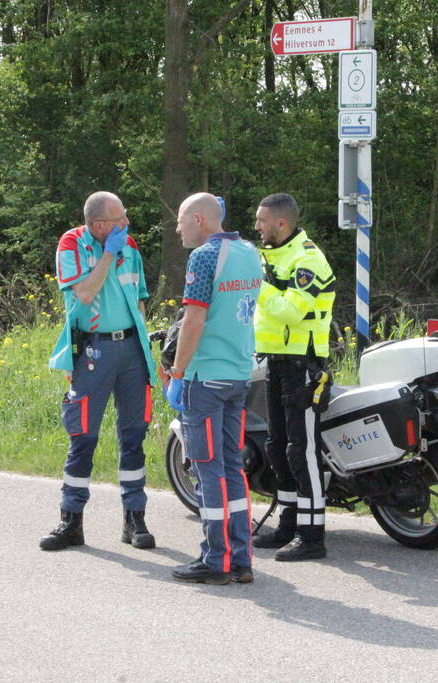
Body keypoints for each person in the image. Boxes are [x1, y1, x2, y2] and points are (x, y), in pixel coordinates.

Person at [41, 191, 157, 551]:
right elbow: (86, 293)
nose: (126, 225)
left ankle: (134, 520)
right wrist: (109, 254)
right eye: (118, 219)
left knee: (134, 435)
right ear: (98, 224)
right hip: (93, 348)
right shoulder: (72, 243)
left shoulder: (130, 245)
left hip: (132, 349)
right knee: (84, 436)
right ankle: (70, 520)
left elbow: (139, 297)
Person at [166, 193, 262, 585]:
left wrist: (177, 373)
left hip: (206, 378)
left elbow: (194, 320)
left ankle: (215, 559)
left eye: (181, 219)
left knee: (207, 470)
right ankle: (241, 559)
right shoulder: (250, 251)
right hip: (239, 374)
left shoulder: (205, 256)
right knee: (232, 468)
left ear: (201, 219)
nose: (177, 228)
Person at [252, 192, 335, 561]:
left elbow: (289, 312)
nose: (257, 226)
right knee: (277, 446)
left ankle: (312, 535)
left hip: (304, 365)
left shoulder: (308, 260)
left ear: (281, 224)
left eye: (262, 221)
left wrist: (259, 286)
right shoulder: (272, 256)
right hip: (278, 362)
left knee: (303, 451)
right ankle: (288, 523)